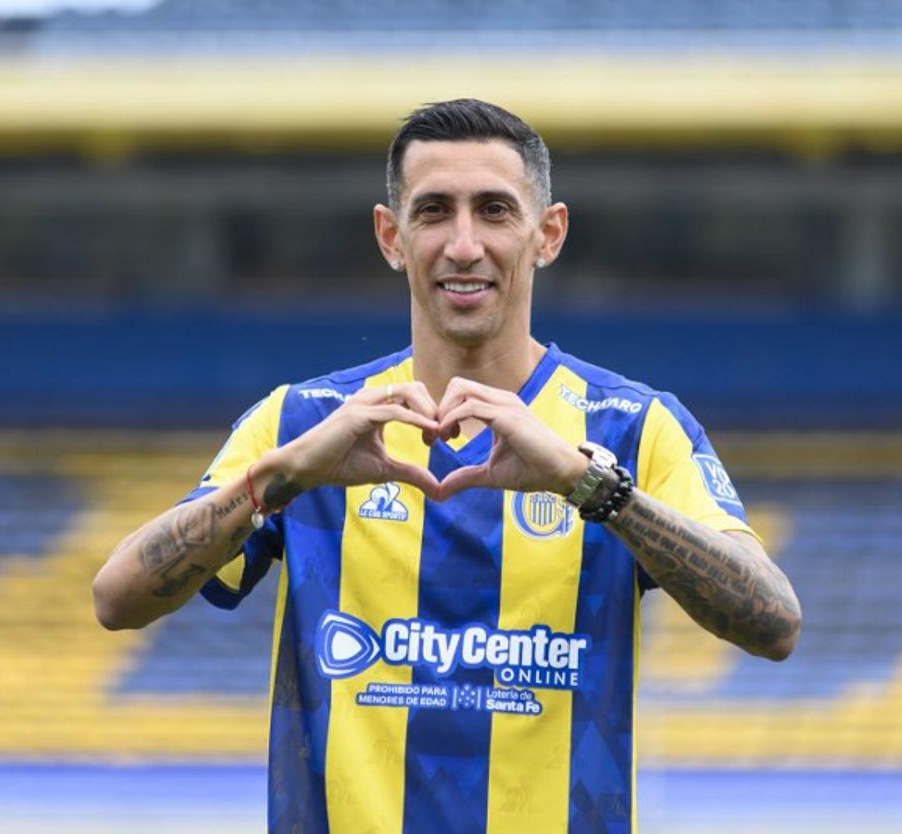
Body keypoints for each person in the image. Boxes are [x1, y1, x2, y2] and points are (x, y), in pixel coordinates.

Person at [93, 99, 801, 834]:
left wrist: (592, 488)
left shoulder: (633, 427)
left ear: (547, 234)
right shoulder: (304, 423)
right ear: (391, 237)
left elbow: (774, 622)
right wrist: (281, 479)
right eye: (434, 212)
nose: (464, 245)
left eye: (494, 211)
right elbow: (118, 599)